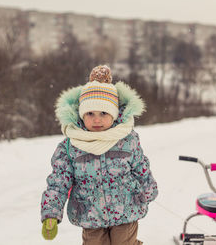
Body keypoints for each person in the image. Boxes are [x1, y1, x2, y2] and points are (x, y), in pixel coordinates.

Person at [40, 65, 158, 245]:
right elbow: (58, 181)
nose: (96, 119)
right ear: (81, 115)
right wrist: (51, 212)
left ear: (114, 114)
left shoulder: (127, 139)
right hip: (89, 213)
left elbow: (141, 167)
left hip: (126, 210)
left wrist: (148, 191)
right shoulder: (71, 146)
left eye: (103, 113)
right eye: (90, 113)